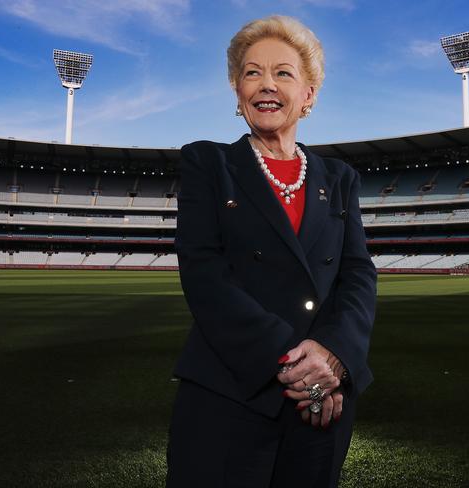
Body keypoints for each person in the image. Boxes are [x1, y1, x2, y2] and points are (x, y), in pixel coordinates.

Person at [166, 15, 377, 488]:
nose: (266, 83)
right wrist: (299, 367)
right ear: (238, 93)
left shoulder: (340, 179)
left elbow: (358, 276)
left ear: (309, 94)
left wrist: (336, 357)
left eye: (283, 72)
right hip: (230, 393)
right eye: (251, 72)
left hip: (323, 402)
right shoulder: (208, 162)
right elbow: (204, 273)